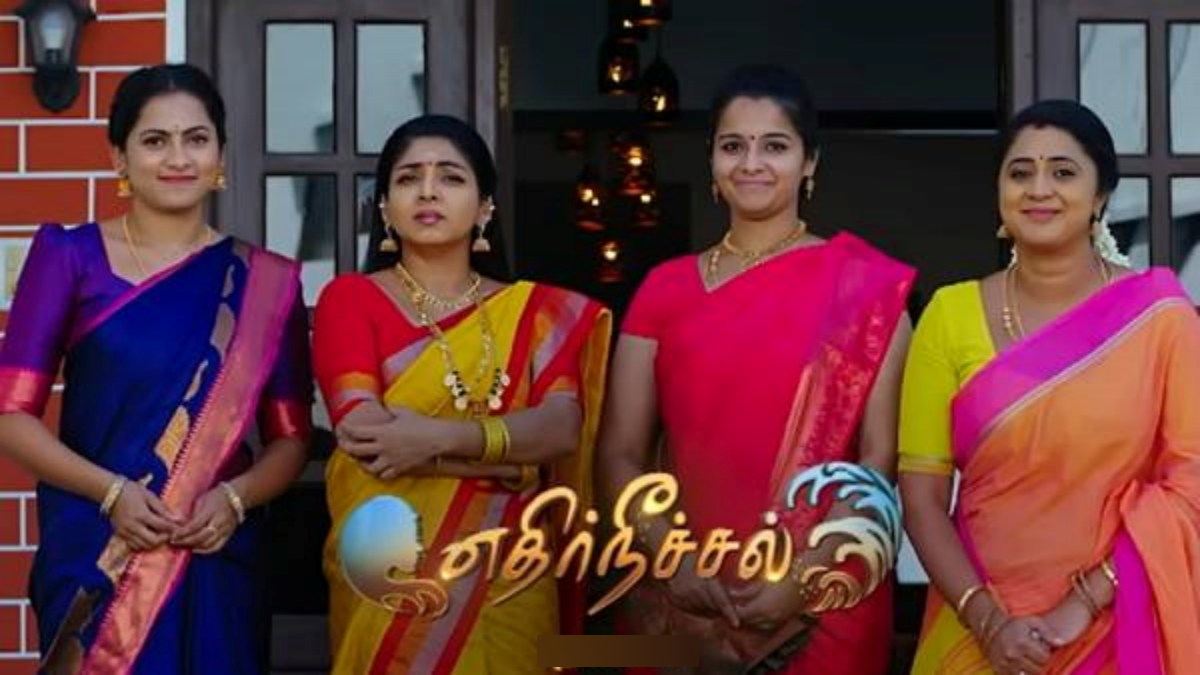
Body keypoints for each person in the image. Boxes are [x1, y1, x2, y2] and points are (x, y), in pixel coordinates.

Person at [599, 64, 914, 674]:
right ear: (711, 161)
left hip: (823, 602)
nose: (751, 164)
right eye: (732, 146)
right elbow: (618, 454)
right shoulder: (665, 289)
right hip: (684, 600)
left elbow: (878, 464)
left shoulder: (866, 292)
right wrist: (672, 557)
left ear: (810, 162)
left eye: (775, 146)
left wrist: (803, 578)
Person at [0, 64, 312, 673]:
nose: (178, 158)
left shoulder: (266, 283)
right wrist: (112, 494)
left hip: (215, 559)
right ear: (119, 156)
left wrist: (235, 499)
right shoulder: (69, 257)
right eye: (154, 140)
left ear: (220, 153)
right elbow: (11, 416)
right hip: (97, 553)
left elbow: (293, 440)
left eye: (196, 139)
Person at [901, 99, 1200, 674]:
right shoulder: (949, 315)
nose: (1039, 189)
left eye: (1063, 172)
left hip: (1118, 631)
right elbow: (921, 498)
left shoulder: (1161, 316)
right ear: (999, 193)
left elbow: (1191, 482)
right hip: (975, 631)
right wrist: (989, 622)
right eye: (1020, 172)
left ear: (1100, 195)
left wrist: (1083, 602)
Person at [312, 114, 612, 673]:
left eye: (450, 177)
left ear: (485, 208)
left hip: (510, 573)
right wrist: (509, 464)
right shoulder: (350, 299)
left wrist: (433, 440)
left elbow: (559, 428)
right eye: (408, 178)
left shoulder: (536, 313)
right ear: (384, 208)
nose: (428, 191)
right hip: (390, 567)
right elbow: (365, 433)